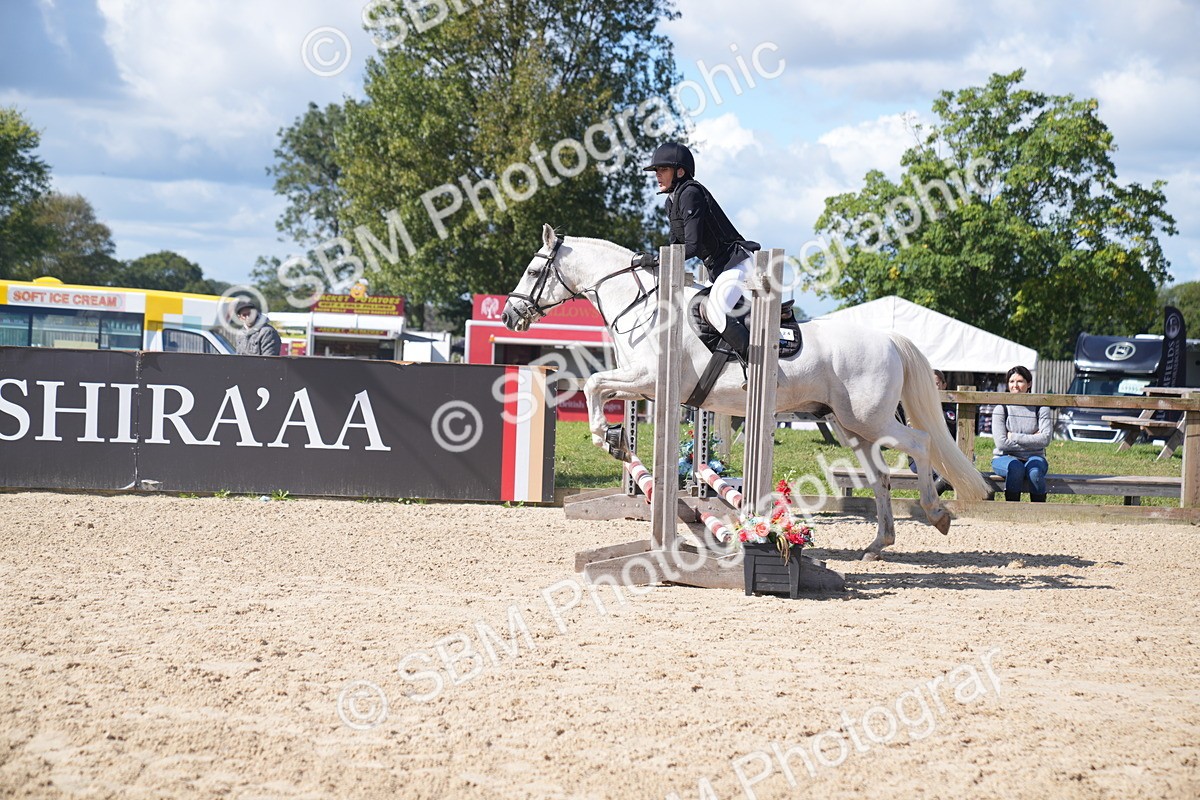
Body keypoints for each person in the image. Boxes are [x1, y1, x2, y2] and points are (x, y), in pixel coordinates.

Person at [633, 141, 760, 359]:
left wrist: (657, 260)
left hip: (736, 263)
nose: (657, 175)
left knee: (715, 311)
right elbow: (675, 246)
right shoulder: (671, 203)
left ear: (680, 171)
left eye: (663, 169)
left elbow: (690, 246)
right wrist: (655, 260)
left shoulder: (690, 193)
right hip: (718, 269)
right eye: (656, 170)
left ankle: (757, 363)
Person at [991, 365, 1051, 502]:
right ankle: (1012, 511)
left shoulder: (1041, 408)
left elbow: (1045, 439)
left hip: (1035, 457)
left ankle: (1039, 512)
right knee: (1016, 468)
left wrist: (1013, 436)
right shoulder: (1001, 409)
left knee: (1035, 471)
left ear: (1029, 383)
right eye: (1012, 381)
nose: (1015, 385)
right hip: (1004, 457)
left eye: (1020, 381)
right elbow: (1001, 443)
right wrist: (1033, 440)